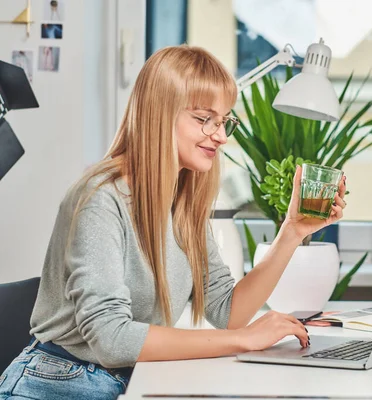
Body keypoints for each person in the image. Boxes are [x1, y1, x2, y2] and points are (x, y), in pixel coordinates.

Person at [0, 45, 347, 400]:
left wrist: (291, 232)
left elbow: (228, 312)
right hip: (56, 383)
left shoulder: (181, 203)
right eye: (203, 119)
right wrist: (243, 340)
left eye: (225, 120)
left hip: (132, 379)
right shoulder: (100, 200)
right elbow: (110, 339)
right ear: (159, 115)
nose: (222, 136)